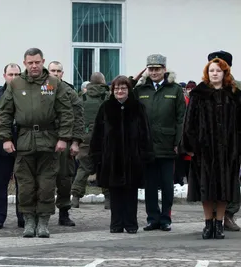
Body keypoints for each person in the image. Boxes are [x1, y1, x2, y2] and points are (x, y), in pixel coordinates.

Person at [0, 48, 73, 238]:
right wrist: (5, 138)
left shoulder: (54, 84)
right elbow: (5, 113)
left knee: (47, 184)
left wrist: (64, 138)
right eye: (30, 62)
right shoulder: (15, 84)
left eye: (37, 62)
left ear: (43, 61)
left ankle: (43, 222)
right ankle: (29, 221)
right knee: (25, 184)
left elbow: (66, 112)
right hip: (24, 141)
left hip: (49, 140)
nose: (34, 66)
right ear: (25, 63)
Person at [183, 58, 241, 239]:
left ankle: (220, 224)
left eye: (218, 70)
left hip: (228, 150)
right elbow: (188, 123)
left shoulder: (234, 94)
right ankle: (208, 224)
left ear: (225, 73)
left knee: (224, 188)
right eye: (211, 70)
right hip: (203, 151)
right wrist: (190, 146)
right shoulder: (198, 94)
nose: (214, 73)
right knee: (205, 187)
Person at [90, 75, 153, 234]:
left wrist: (145, 154)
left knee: (131, 193)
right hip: (112, 158)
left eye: (123, 88)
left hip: (133, 158)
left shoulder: (138, 107)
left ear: (128, 90)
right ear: (112, 90)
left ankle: (131, 224)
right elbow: (97, 133)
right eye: (116, 88)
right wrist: (96, 156)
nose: (120, 91)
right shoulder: (106, 107)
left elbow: (145, 132)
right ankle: (116, 224)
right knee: (115, 192)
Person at [134, 54, 185, 232]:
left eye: (157, 69)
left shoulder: (175, 90)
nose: (154, 72)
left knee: (166, 184)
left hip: (167, 143)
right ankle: (152, 218)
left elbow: (181, 118)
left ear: (164, 69)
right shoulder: (141, 89)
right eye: (151, 69)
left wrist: (178, 141)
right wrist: (135, 78)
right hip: (147, 144)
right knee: (150, 184)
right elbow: (124, 93)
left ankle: (166, 218)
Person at [0, 63, 24, 229]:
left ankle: (23, 216)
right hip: (0, 146)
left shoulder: (26, 93)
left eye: (17, 74)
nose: (13, 78)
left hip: (23, 145)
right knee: (0, 183)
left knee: (23, 183)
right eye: (10, 74)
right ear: (4, 75)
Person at [207, 50, 241, 232]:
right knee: (210, 179)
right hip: (210, 143)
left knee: (232, 179)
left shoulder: (236, 89)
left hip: (232, 142)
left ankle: (228, 214)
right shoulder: (205, 87)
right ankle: (212, 217)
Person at [48, 61, 84, 226]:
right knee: (44, 180)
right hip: (46, 140)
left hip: (66, 141)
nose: (55, 73)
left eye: (58, 71)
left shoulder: (69, 92)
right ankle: (44, 214)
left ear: (62, 73)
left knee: (64, 179)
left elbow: (78, 119)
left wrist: (76, 142)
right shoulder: (42, 90)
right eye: (52, 70)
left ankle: (64, 213)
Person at [71, 72, 110, 209]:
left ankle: (75, 197)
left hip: (85, 138)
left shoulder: (82, 98)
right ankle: (108, 199)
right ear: (103, 82)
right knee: (104, 167)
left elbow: (75, 119)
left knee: (84, 168)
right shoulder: (107, 97)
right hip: (104, 137)